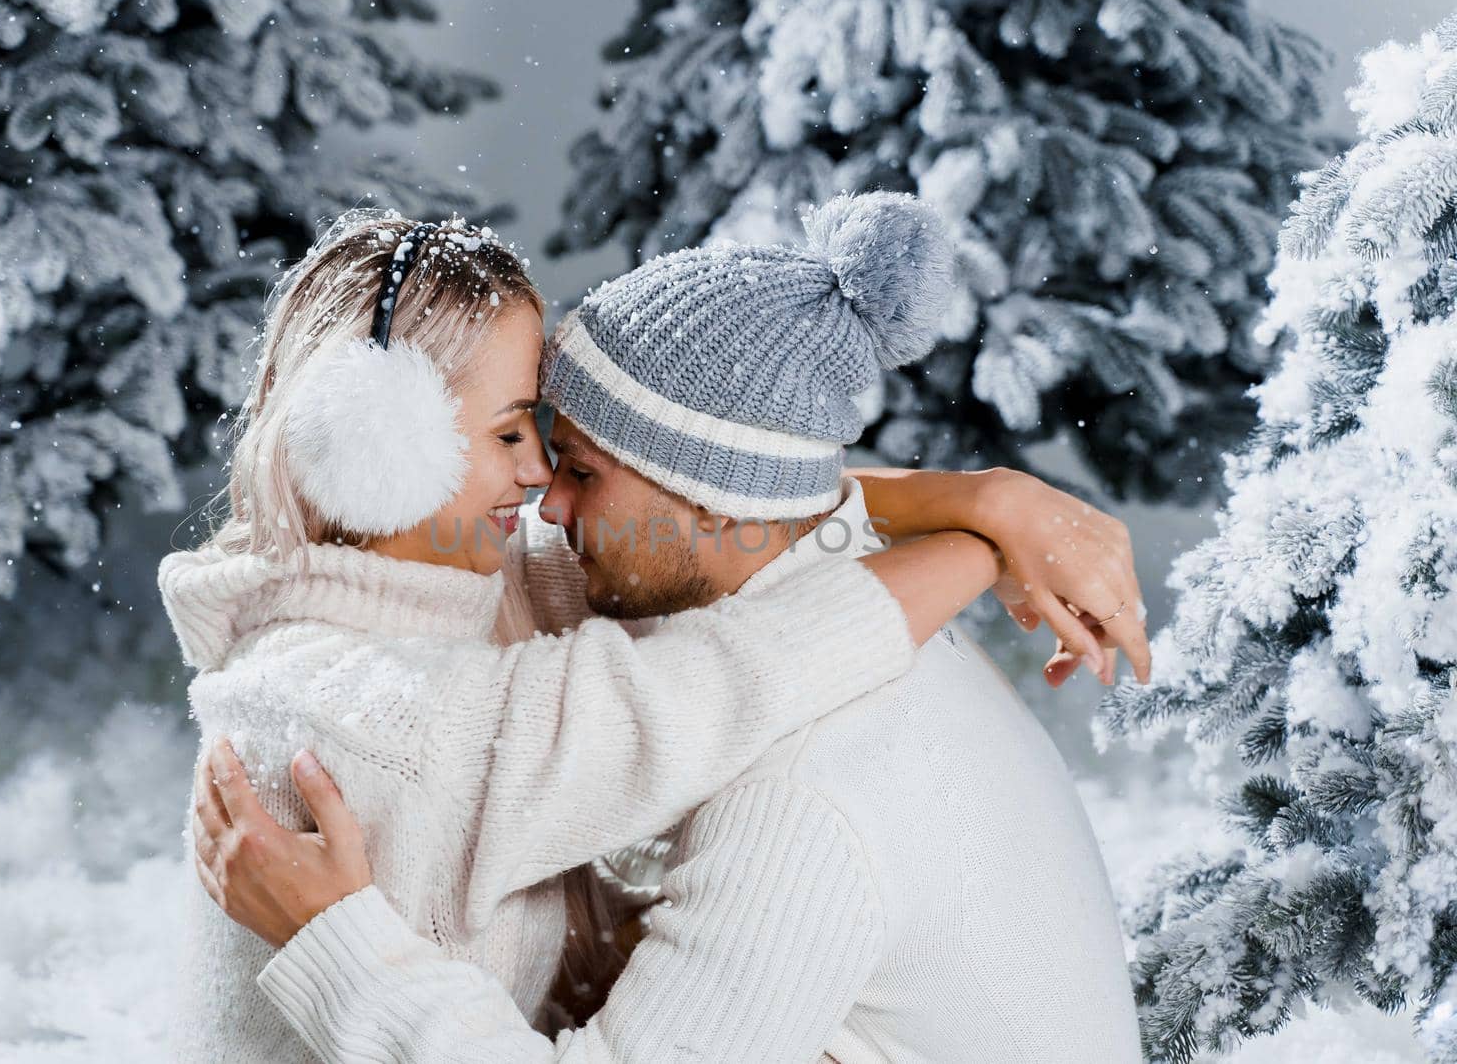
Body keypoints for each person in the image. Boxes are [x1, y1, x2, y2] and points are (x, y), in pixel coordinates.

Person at [189, 194, 1148, 1061]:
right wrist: (980, 531)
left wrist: (986, 506)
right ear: (376, 439)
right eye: (518, 435)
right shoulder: (380, 708)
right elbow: (711, 651)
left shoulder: (795, 791)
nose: (541, 495)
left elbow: (716, 565)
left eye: (573, 464)